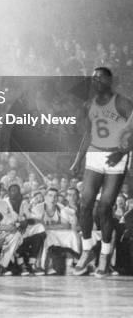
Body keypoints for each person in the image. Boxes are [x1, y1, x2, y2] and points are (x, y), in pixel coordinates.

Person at [70, 67, 133, 277]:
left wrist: (123, 151)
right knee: (85, 203)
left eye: (99, 77)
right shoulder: (90, 104)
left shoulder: (123, 102)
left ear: (109, 80)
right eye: (93, 78)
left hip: (117, 156)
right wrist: (77, 160)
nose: (95, 81)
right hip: (95, 155)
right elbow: (87, 135)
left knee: (105, 208)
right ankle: (87, 249)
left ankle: (105, 256)